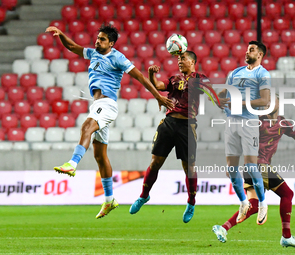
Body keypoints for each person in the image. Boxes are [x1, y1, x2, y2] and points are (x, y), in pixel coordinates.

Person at [45, 24, 173, 219]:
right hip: (97, 104)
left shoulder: (118, 58)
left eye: (102, 39)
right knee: (100, 155)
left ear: (111, 43)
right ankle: (109, 199)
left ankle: (72, 163)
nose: (98, 41)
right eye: (98, 38)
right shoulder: (93, 53)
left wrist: (157, 96)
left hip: (107, 104)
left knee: (86, 126)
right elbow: (72, 47)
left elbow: (139, 77)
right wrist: (61, 34)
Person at [212, 94, 295, 247]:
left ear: (279, 103)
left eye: (271, 100)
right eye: (266, 101)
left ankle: (223, 228)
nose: (268, 103)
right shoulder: (258, 122)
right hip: (257, 166)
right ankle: (286, 237)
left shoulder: (284, 123)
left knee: (254, 205)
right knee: (287, 194)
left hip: (255, 168)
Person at [129, 51, 215, 223]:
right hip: (169, 123)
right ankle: (144, 195)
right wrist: (151, 75)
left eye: (183, 58)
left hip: (187, 125)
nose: (179, 61)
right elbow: (159, 86)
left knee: (189, 166)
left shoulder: (201, 78)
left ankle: (191, 202)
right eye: (178, 59)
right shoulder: (174, 79)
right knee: (155, 162)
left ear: (192, 61)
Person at [217, 41, 271, 225]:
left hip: (249, 122)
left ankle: (263, 203)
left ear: (260, 55)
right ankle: (243, 203)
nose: (247, 52)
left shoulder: (262, 73)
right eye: (247, 49)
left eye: (252, 49)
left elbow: (264, 100)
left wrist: (238, 103)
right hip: (231, 122)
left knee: (250, 166)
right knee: (231, 170)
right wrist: (219, 98)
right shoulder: (235, 72)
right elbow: (224, 92)